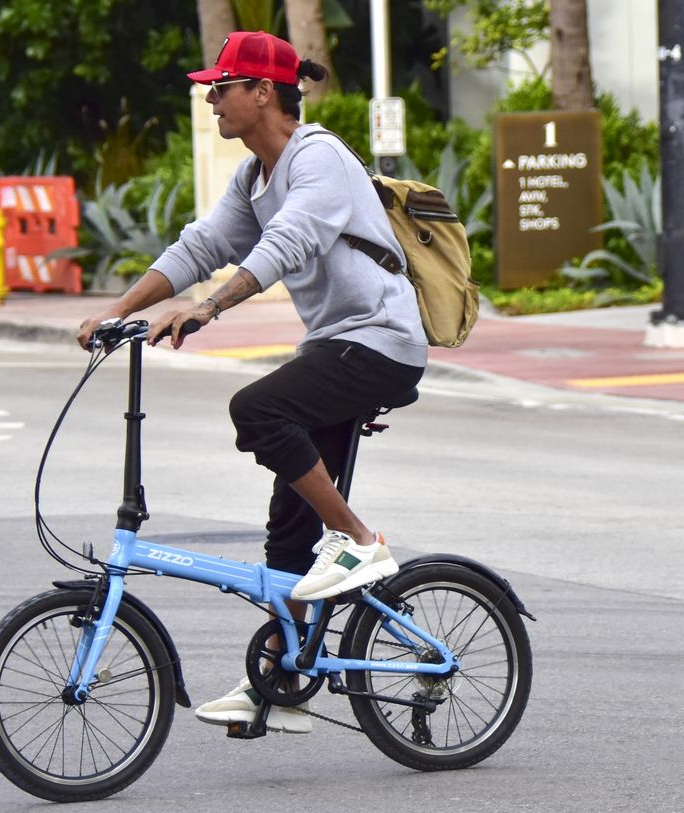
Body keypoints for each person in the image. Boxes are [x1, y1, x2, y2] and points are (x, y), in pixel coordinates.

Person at [77, 31, 427, 733]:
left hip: (381, 341)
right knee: (287, 533)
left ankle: (359, 538)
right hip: (336, 346)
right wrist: (116, 312)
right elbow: (202, 246)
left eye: (221, 87)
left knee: (258, 408)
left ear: (263, 91)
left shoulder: (318, 157)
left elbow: (288, 241)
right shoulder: (253, 178)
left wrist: (208, 305)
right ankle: (281, 675)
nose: (211, 100)